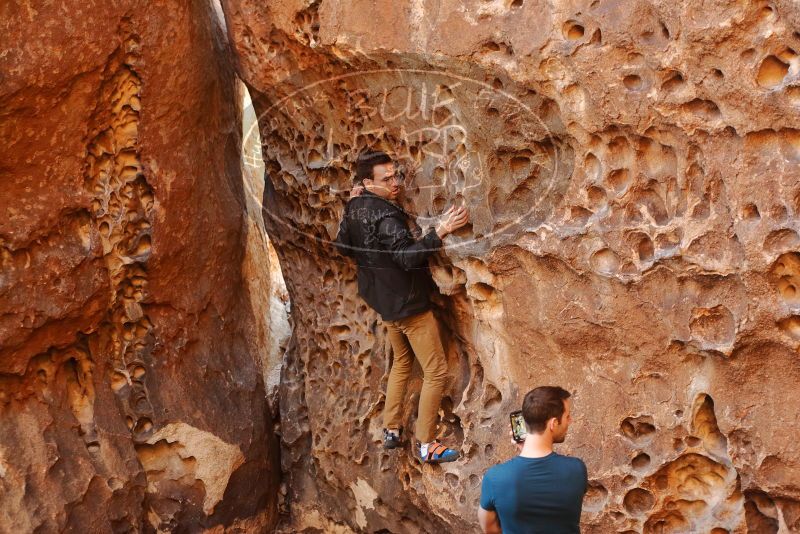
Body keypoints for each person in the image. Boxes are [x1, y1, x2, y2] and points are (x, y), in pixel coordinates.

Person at [334, 150, 469, 463]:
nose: (395, 182)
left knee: (402, 363)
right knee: (436, 371)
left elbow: (342, 245)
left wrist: (353, 202)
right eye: (387, 179)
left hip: (384, 305)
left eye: (396, 175)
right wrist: (441, 231)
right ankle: (426, 445)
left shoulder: (355, 206)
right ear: (367, 182)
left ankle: (392, 430)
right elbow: (408, 257)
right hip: (409, 308)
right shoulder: (386, 216)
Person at [478, 386, 588, 533]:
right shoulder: (576, 470)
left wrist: (525, 451)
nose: (570, 420)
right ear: (553, 423)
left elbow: (489, 529)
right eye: (567, 416)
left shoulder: (495, 477)